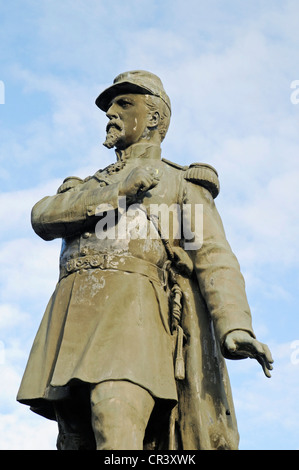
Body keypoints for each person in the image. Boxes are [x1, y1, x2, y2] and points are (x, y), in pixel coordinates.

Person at [17, 70, 273, 450]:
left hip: (133, 318)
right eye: (109, 107)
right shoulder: (85, 187)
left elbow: (214, 258)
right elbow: (43, 217)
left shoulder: (182, 184)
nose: (110, 114)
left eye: (123, 104)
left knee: (114, 418)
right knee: (74, 438)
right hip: (71, 320)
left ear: (153, 117)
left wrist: (234, 326)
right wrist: (120, 190)